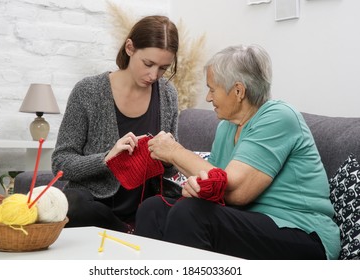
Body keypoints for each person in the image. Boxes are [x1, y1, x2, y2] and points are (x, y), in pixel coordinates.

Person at [134, 44, 341, 259]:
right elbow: (213, 184)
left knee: (190, 214)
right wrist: (195, 188)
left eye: (212, 89)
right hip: (248, 222)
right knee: (154, 209)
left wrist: (174, 151)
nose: (208, 98)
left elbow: (239, 192)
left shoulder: (278, 116)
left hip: (303, 234)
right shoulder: (227, 126)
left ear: (239, 91)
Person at [51, 15, 179, 233]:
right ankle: (127, 233)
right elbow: (60, 163)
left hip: (146, 204)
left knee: (183, 209)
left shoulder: (167, 95)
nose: (153, 75)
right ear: (130, 48)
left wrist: (167, 155)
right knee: (71, 203)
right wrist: (106, 159)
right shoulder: (88, 91)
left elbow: (170, 170)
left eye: (163, 68)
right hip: (95, 203)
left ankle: (127, 233)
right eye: (148, 64)